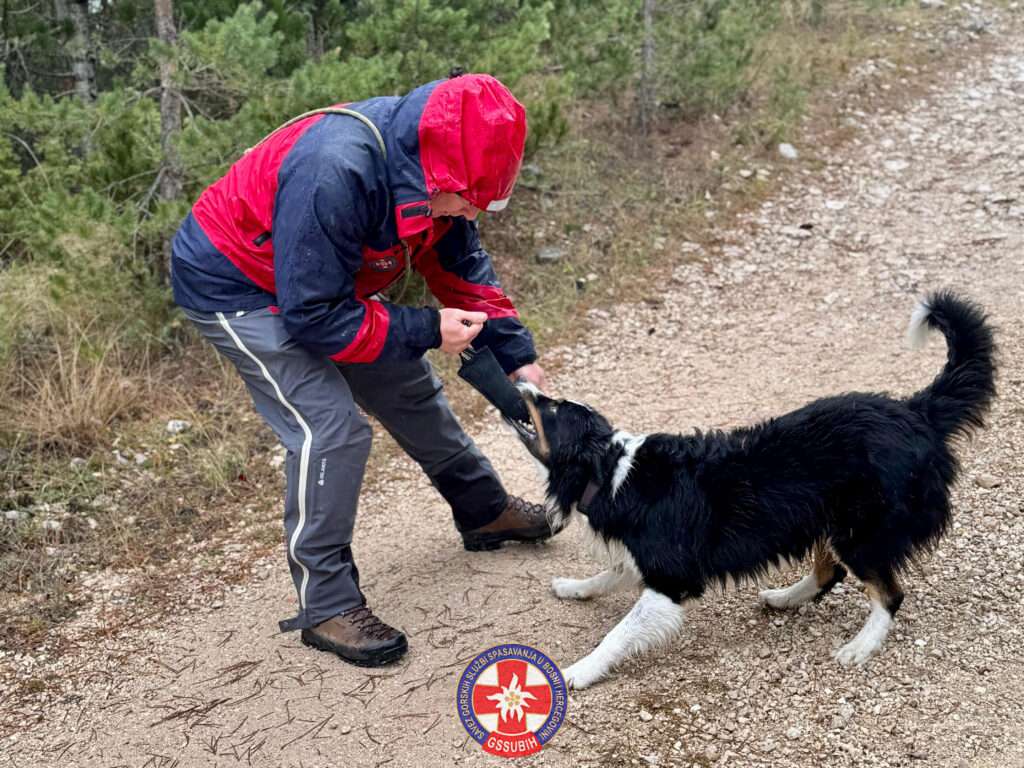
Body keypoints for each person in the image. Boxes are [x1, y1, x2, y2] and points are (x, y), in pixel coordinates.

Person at [170, 72, 556, 667]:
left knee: (408, 386)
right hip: (235, 282)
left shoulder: (440, 173)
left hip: (319, 283)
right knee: (331, 429)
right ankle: (326, 604)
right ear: (439, 172)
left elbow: (462, 267)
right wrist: (427, 329)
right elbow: (314, 318)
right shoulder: (335, 171)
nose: (473, 210)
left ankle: (484, 512)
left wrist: (516, 357)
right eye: (468, 200)